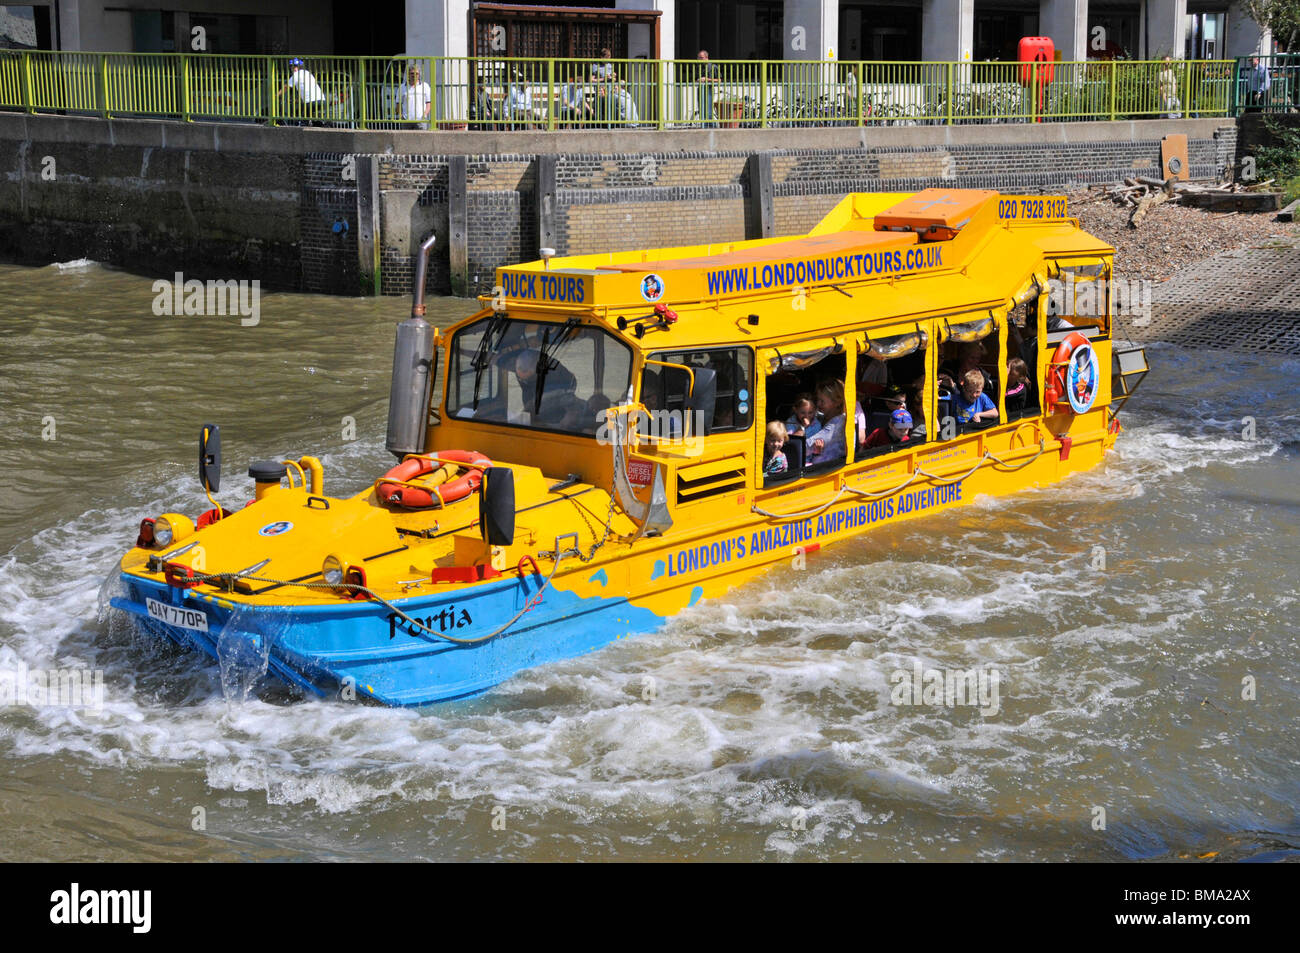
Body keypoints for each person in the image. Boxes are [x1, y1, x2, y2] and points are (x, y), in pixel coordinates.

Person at [806, 379, 854, 465]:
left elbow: (807, 446)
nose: (818, 404)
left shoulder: (837, 424)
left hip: (826, 469)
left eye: (822, 401)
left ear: (837, 402)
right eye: (818, 400)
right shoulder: (822, 417)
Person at [276, 58, 327, 126]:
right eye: (292, 66)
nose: (294, 68)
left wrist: (276, 95)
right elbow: (306, 89)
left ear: (300, 67)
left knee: (302, 119)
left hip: (311, 102)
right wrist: (298, 100)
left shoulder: (296, 75)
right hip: (321, 100)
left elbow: (286, 87)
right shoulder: (307, 73)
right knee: (309, 116)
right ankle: (319, 125)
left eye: (296, 66)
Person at [399, 65, 431, 130]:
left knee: (422, 139)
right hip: (406, 120)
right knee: (405, 139)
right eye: (412, 73)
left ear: (419, 75)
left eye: (416, 73)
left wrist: (424, 115)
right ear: (408, 75)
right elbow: (398, 104)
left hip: (421, 120)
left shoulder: (425, 86)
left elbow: (429, 103)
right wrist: (401, 116)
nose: (414, 75)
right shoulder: (402, 87)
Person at [696, 50, 719, 126]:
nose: (699, 59)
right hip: (700, 88)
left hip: (709, 89)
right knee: (701, 108)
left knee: (708, 108)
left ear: (706, 57)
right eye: (698, 57)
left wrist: (706, 79)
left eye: (701, 57)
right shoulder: (698, 66)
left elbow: (719, 80)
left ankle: (709, 126)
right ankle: (704, 125)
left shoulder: (713, 66)